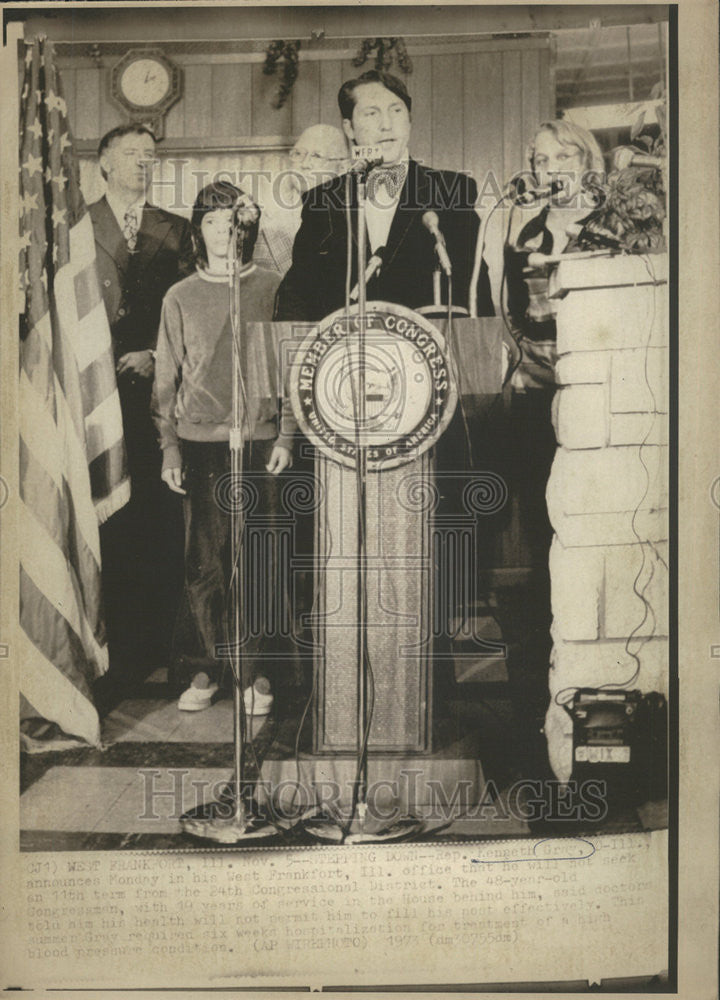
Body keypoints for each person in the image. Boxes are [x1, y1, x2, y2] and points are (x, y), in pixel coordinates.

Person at [153, 181, 295, 713]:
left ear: (246, 228)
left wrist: (285, 433)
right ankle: (205, 668)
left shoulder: (272, 287)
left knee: (258, 555)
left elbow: (291, 366)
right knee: (205, 562)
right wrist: (169, 446)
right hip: (202, 444)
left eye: (230, 221)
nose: (221, 232)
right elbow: (165, 378)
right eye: (210, 222)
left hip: (261, 444)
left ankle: (257, 673)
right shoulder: (180, 296)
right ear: (198, 231)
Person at [503, 119, 606, 734]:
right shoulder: (526, 233)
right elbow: (516, 317)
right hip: (538, 399)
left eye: (562, 155)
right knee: (546, 535)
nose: (549, 167)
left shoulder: (621, 226)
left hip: (603, 397)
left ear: (585, 159)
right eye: (540, 159)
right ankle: (547, 682)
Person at [89, 125, 191, 709]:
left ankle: (158, 643)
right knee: (108, 511)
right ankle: (115, 646)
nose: (142, 164)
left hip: (157, 392)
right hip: (97, 393)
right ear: (103, 161)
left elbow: (185, 308)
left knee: (155, 512)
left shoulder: (175, 229)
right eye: (130, 154)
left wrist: (155, 354)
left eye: (150, 156)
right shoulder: (78, 227)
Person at [274, 69, 495, 321]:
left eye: (396, 111)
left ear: (409, 121)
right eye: (372, 114)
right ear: (349, 128)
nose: (386, 124)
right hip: (344, 356)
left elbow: (476, 288)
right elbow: (298, 293)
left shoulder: (451, 190)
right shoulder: (321, 201)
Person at [253, 123, 349, 277]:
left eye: (316, 156)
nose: (304, 164)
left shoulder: (356, 220)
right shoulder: (265, 222)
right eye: (298, 154)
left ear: (343, 167)